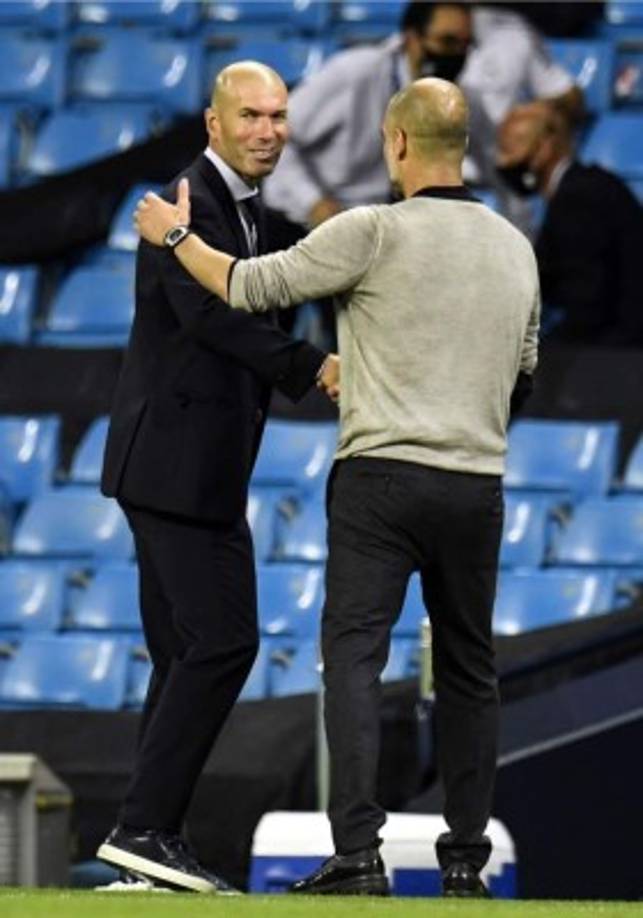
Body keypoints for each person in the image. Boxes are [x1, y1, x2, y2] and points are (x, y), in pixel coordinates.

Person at [135, 77, 540, 898]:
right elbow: (525, 374)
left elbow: (250, 289)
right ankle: (465, 864)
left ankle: (358, 855)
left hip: (381, 480)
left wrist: (177, 235)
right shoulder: (514, 246)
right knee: (469, 670)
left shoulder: (371, 230)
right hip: (474, 481)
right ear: (464, 147)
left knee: (353, 660)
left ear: (395, 144)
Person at [96, 62, 338, 894]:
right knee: (224, 642)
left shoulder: (245, 208)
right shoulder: (186, 202)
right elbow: (213, 314)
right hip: (176, 469)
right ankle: (143, 829)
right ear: (213, 123)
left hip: (181, 467)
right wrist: (314, 366)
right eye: (251, 116)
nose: (268, 129)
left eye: (278, 115)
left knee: (179, 656)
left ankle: (148, 846)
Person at [261, 1, 581, 230]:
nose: (455, 56)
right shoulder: (357, 73)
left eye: (464, 46)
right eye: (446, 42)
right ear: (412, 38)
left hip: (376, 230)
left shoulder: (459, 99)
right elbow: (273, 135)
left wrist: (519, 248)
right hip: (299, 217)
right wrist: (313, 203)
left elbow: (497, 174)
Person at [497, 102, 643, 345]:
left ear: (545, 147)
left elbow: (587, 301)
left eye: (514, 152)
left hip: (621, 354)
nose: (505, 165)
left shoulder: (579, 198)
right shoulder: (575, 189)